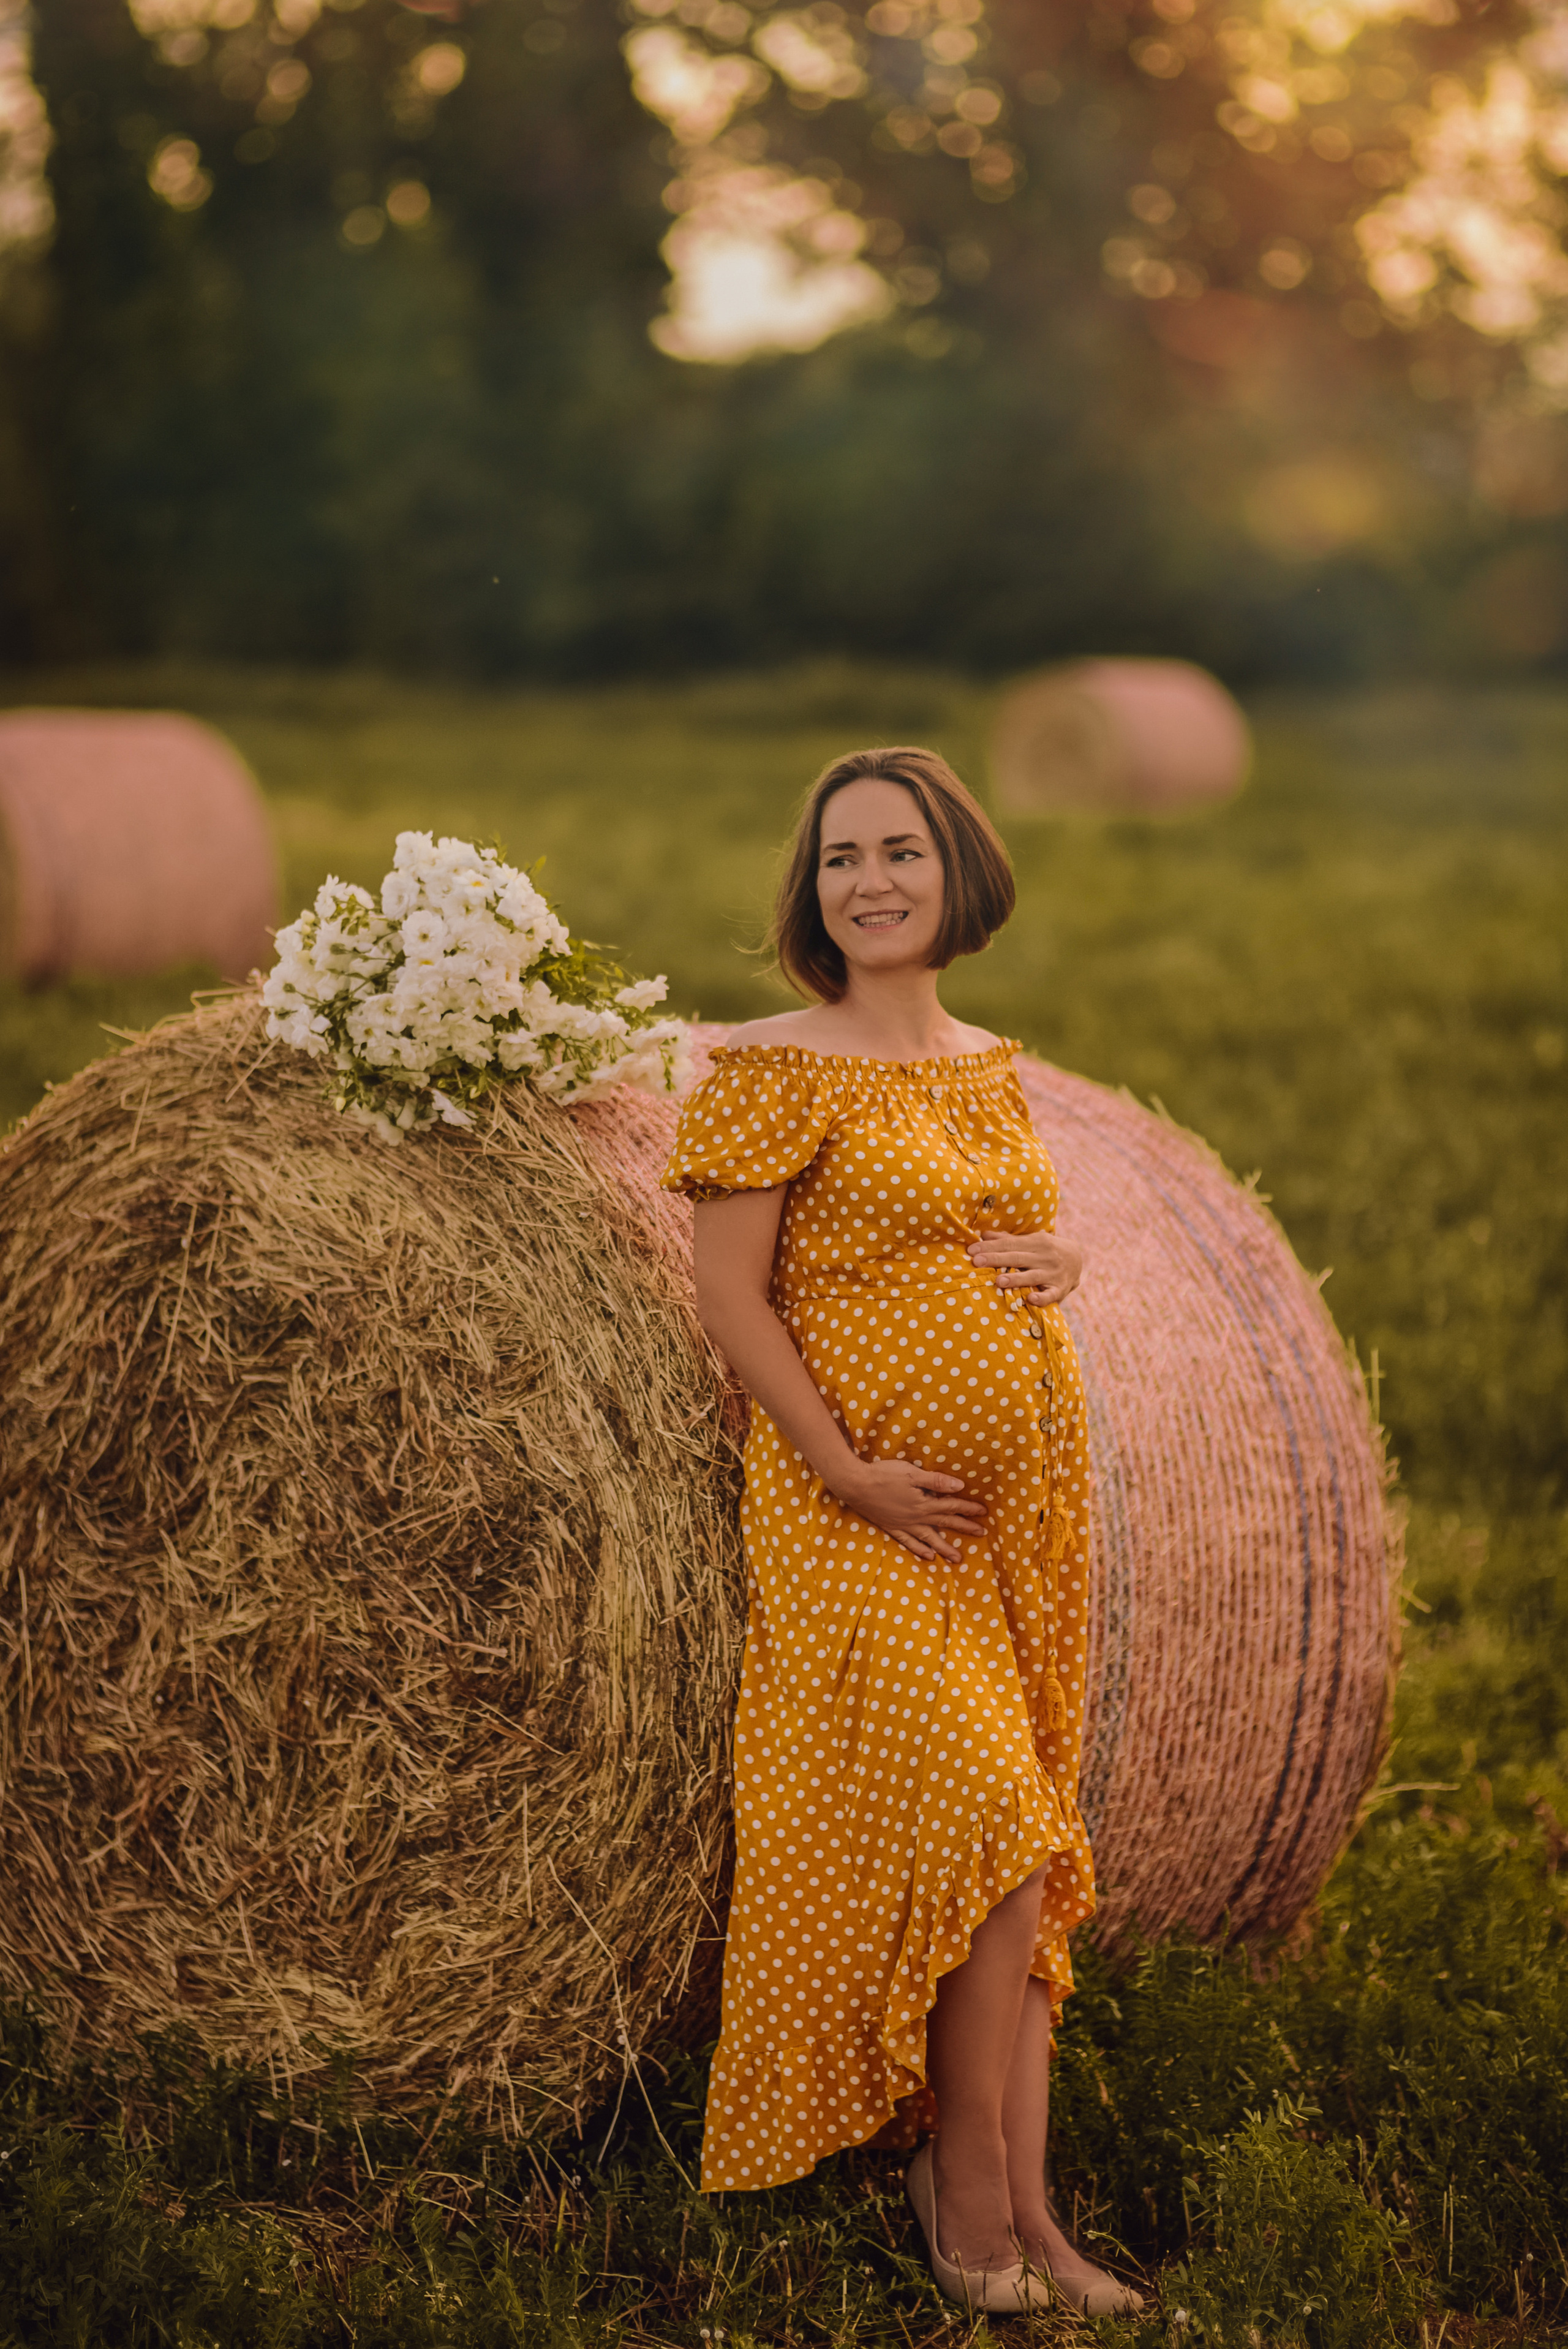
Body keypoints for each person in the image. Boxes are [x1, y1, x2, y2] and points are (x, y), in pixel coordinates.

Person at [659, 746, 1141, 2319]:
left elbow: (979, 1223)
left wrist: (1058, 1260)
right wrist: (849, 1469)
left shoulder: (985, 1058)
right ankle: (968, 2204)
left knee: (1024, 1867)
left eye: (898, 852)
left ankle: (1032, 2219)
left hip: (1010, 1534)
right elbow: (729, 1297)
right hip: (849, 1518)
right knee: (993, 1841)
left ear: (958, 876)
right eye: (838, 858)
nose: (866, 880)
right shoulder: (769, 1065)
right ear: (810, 894)